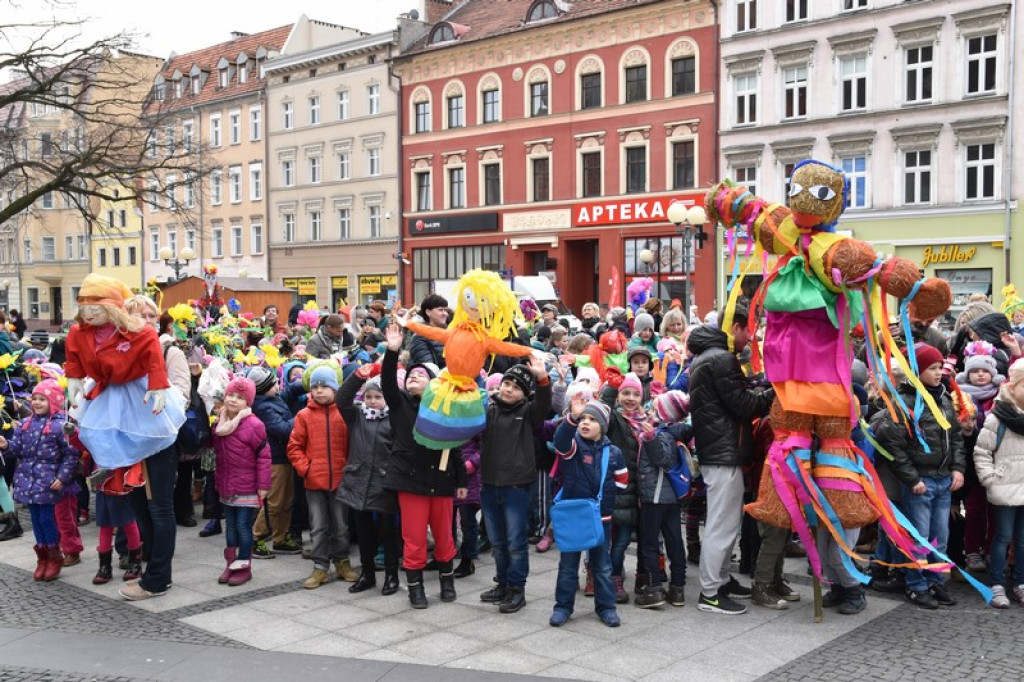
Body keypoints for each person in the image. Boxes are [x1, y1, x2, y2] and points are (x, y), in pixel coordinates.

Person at [688, 304, 773, 615]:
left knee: (725, 523)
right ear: (735, 327)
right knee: (722, 525)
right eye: (748, 329)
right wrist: (772, 394)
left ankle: (721, 580)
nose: (750, 337)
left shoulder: (707, 356)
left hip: (721, 450)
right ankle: (710, 592)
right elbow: (742, 405)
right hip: (723, 453)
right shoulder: (721, 358)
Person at [380, 323, 466, 609]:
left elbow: (454, 446)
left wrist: (462, 480)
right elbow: (388, 384)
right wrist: (393, 351)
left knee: (444, 537)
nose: (414, 378)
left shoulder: (442, 409)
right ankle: (415, 589)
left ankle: (447, 582)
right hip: (410, 482)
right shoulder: (399, 405)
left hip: (441, 482)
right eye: (411, 375)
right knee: (414, 539)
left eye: (421, 375)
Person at [874, 343, 965, 609]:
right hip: (921, 483)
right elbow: (894, 445)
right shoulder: (905, 403)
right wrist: (912, 479)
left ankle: (935, 581)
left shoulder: (944, 399)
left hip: (943, 479)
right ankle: (915, 584)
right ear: (916, 370)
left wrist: (958, 468)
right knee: (918, 537)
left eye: (940, 368)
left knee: (941, 536)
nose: (939, 373)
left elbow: (956, 437)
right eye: (932, 368)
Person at [478, 358, 551, 614]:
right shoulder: (488, 410)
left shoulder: (528, 412)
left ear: (525, 393)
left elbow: (543, 404)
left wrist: (542, 380)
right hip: (489, 485)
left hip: (516, 488)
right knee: (497, 541)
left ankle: (517, 589)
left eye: (516, 386)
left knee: (515, 542)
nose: (508, 389)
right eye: (506, 383)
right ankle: (503, 582)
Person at [550, 397, 628, 628]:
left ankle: (606, 607)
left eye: (592, 419)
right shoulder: (573, 447)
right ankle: (563, 606)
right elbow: (559, 440)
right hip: (575, 515)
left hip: (601, 517)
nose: (585, 422)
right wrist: (571, 418)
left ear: (603, 426)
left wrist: (607, 493)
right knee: (568, 565)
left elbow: (623, 481)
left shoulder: (613, 453)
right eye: (583, 418)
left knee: (602, 566)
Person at [0, 379, 79, 581]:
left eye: (42, 399)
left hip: (49, 481)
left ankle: (54, 556)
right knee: (36, 521)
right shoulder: (26, 424)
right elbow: (17, 449)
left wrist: (62, 478)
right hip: (29, 480)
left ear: (53, 401)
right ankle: (42, 557)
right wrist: (6, 445)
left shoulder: (61, 425)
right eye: (34, 398)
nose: (36, 402)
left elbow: (71, 455)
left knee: (47, 519)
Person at [287, 365, 356, 589]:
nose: (319, 391)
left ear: (335, 389)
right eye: (315, 387)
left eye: (324, 386)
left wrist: (349, 469)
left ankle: (343, 562)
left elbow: (354, 444)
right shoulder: (304, 415)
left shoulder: (345, 413)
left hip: (340, 480)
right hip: (314, 482)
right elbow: (294, 447)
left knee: (341, 526)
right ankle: (320, 567)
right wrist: (306, 469)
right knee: (317, 526)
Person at [336, 366, 400, 596]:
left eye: (378, 397)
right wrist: (357, 378)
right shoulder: (357, 416)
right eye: (369, 397)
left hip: (383, 484)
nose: (372, 401)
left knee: (387, 532)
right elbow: (341, 399)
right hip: (359, 480)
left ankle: (391, 575)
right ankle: (368, 574)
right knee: (364, 533)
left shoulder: (394, 418)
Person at [211, 377, 271, 586]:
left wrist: (263, 485)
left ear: (248, 402)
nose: (234, 400)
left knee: (243, 526)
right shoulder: (220, 422)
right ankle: (231, 564)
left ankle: (244, 565)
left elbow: (264, 456)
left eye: (240, 397)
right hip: (227, 484)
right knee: (230, 527)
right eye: (231, 395)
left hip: (247, 485)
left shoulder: (254, 425)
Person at [634, 391, 691, 609]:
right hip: (669, 499)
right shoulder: (671, 431)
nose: (647, 411)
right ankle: (677, 589)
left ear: (663, 414)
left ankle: (654, 589)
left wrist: (650, 439)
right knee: (674, 541)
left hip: (655, 497)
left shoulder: (663, 434)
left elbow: (663, 459)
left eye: (652, 408)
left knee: (649, 543)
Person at [974, 358, 1024, 608]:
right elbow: (982, 452)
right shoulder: (999, 418)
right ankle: (997, 584)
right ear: (1013, 387)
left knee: (1023, 539)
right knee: (1002, 536)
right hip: (1005, 487)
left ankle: (1019, 583)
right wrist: (990, 479)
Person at [246, 366, 300, 558]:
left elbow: (291, 390)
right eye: (274, 383)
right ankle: (256, 539)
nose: (278, 385)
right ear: (264, 388)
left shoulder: (273, 398)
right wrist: (301, 415)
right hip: (274, 460)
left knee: (286, 500)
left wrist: (309, 379)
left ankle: (280, 538)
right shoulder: (262, 407)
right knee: (274, 502)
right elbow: (284, 429)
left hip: (285, 457)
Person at [408, 294, 448, 368]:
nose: (445, 314)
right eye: (440, 310)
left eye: (446, 310)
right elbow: (429, 369)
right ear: (428, 312)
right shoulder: (420, 337)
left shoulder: (450, 333)